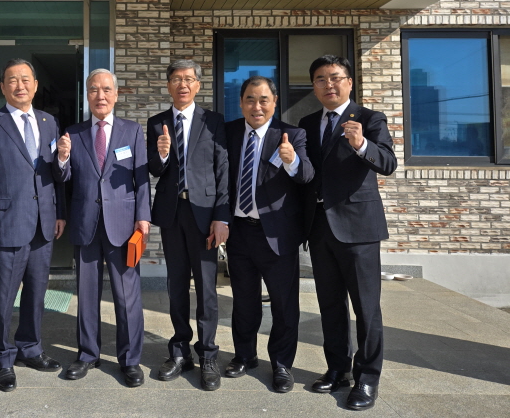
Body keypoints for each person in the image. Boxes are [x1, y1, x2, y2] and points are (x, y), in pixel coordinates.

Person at [0, 59, 66, 392]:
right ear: (3, 87)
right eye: (12, 80)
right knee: (2, 297)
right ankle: (2, 358)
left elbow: (55, 175)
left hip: (43, 223)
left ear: (35, 85)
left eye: (25, 79)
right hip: (7, 222)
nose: (20, 85)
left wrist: (60, 209)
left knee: (36, 293)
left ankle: (30, 348)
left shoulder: (49, 122)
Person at [298, 55, 397, 411]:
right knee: (330, 305)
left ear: (349, 82)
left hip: (359, 228)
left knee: (366, 309)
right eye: (321, 79)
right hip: (320, 228)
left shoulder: (369, 118)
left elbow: (388, 163)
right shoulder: (307, 123)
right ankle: (337, 369)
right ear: (314, 86)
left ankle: (367, 378)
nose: (329, 84)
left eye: (335, 77)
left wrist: (361, 145)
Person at [54, 68, 151, 388]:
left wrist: (143, 216)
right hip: (86, 222)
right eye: (94, 90)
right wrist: (62, 159)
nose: (100, 95)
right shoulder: (74, 132)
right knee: (86, 294)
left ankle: (130, 359)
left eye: (106, 89)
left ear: (116, 94)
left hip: (123, 224)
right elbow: (64, 179)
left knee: (127, 296)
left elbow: (141, 178)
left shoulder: (132, 131)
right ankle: (87, 354)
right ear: (87, 95)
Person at [224, 76, 314, 394]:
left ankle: (282, 364)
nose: (257, 106)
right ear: (241, 103)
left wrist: (292, 161)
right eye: (250, 99)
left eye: (264, 99)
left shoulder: (292, 134)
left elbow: (307, 175)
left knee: (284, 304)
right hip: (239, 233)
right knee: (243, 301)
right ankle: (244, 355)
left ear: (274, 102)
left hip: (277, 235)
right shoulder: (230, 133)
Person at [146, 59, 229, 390]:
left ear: (197, 85)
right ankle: (180, 351)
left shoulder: (214, 121)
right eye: (177, 79)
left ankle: (208, 354)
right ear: (168, 85)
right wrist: (162, 155)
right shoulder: (157, 123)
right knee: (177, 284)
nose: (183, 84)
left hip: (205, 215)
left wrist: (222, 216)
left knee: (207, 287)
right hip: (172, 213)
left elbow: (222, 170)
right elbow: (153, 169)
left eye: (189, 79)